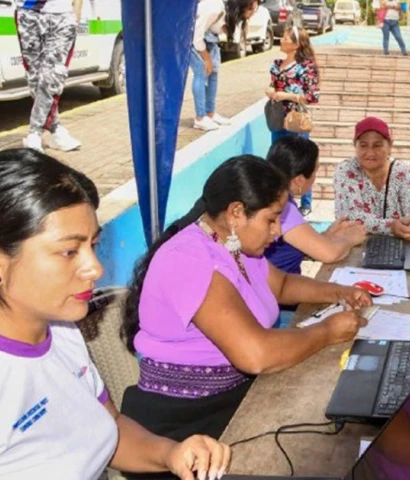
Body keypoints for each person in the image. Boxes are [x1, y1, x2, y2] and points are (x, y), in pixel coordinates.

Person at [0, 148, 230, 479]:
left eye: (92, 246)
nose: (95, 268)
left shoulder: (64, 331)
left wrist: (171, 452)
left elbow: (110, 429)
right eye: (68, 251)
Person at [119, 156, 371, 449]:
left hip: (233, 397)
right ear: (236, 212)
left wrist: (338, 292)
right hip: (185, 425)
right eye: (271, 219)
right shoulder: (191, 259)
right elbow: (255, 355)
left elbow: (283, 285)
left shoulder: (232, 246)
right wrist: (327, 332)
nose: (277, 231)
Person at [265, 136, 367, 327]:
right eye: (316, 171)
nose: (275, 230)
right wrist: (350, 239)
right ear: (300, 180)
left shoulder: (276, 200)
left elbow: (294, 245)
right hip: (278, 306)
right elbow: (329, 254)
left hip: (281, 292)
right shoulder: (282, 209)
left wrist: (326, 237)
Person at [334, 117, 410, 241]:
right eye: (363, 145)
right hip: (356, 245)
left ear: (390, 145)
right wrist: (391, 227)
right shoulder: (346, 171)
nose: (370, 153)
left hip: (397, 248)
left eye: (377, 145)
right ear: (355, 145)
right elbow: (351, 217)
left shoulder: (402, 171)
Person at [16, 0, 83, 152]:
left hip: (62, 15)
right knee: (35, 78)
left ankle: (35, 132)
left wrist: (76, 13)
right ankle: (56, 129)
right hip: (28, 12)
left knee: (52, 77)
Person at [266, 26, 319, 216]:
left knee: (301, 161)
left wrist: (287, 95)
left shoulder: (306, 67)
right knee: (277, 161)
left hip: (295, 120)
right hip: (277, 119)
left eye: (286, 37)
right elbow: (272, 85)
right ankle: (281, 200)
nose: (282, 39)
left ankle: (305, 202)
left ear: (296, 44)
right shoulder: (276, 64)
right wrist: (271, 91)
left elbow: (312, 97)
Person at [190, 0, 258, 131]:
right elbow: (196, 36)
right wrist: (206, 58)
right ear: (241, 6)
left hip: (208, 39)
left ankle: (210, 113)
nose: (253, 13)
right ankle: (200, 118)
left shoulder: (229, 14)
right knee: (201, 71)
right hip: (191, 39)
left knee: (214, 72)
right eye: (251, 9)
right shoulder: (214, 8)